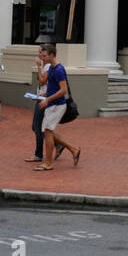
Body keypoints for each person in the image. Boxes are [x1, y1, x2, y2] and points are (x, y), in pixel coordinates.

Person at [35, 42, 80, 171]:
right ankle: (73, 149)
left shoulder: (59, 69)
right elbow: (53, 87)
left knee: (48, 131)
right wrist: (45, 93)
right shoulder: (53, 68)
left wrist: (47, 99)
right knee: (48, 131)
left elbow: (63, 90)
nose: (42, 58)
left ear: (51, 55)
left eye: (44, 56)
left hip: (57, 105)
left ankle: (48, 163)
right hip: (53, 104)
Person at [26, 44, 51, 162]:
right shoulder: (46, 66)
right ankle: (57, 144)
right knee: (37, 127)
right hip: (40, 97)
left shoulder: (47, 67)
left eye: (41, 52)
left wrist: (38, 67)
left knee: (38, 127)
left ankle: (38, 154)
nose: (39, 54)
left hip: (43, 100)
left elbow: (42, 82)